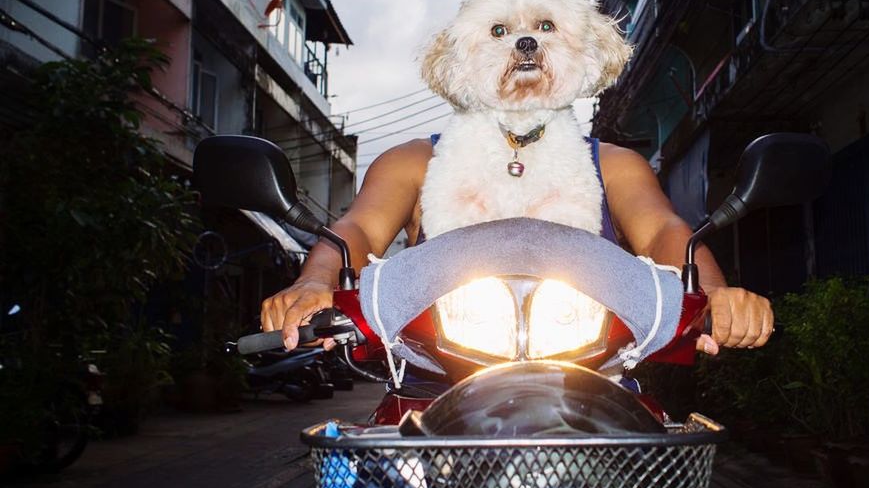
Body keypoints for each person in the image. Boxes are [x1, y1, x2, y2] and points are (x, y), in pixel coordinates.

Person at [261, 137, 773, 356]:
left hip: (598, 369)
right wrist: (313, 282)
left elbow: (664, 230)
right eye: (498, 34)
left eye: (545, 30)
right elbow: (360, 229)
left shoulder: (614, 163)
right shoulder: (414, 161)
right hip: (431, 371)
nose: (524, 48)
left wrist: (714, 294)